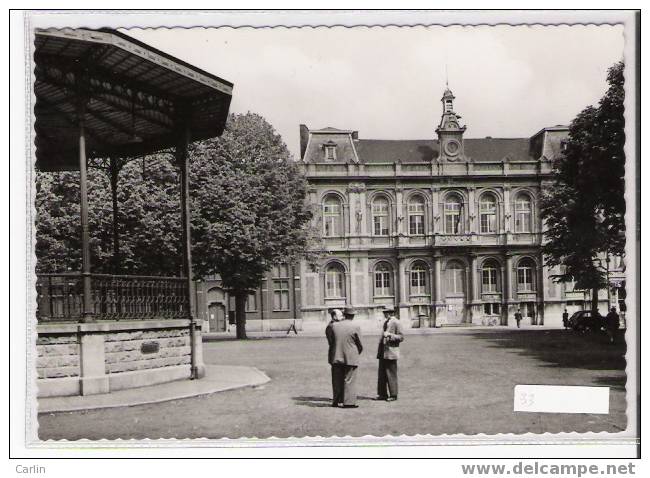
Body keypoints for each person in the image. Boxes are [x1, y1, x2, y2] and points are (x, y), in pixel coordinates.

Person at [325, 306, 363, 408]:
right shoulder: (355, 326)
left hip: (336, 356)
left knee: (336, 380)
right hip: (350, 356)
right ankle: (349, 402)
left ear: (344, 315)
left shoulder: (333, 326)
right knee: (349, 379)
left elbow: (331, 341)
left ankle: (336, 401)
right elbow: (360, 344)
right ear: (353, 316)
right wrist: (356, 352)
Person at [376, 306, 404, 402]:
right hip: (383, 352)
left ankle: (393, 394)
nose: (385, 314)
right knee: (382, 374)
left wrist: (390, 335)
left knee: (391, 374)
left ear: (391, 313)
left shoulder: (396, 322)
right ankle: (382, 394)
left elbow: (401, 337)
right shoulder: (386, 322)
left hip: (391, 352)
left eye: (386, 312)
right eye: (384, 312)